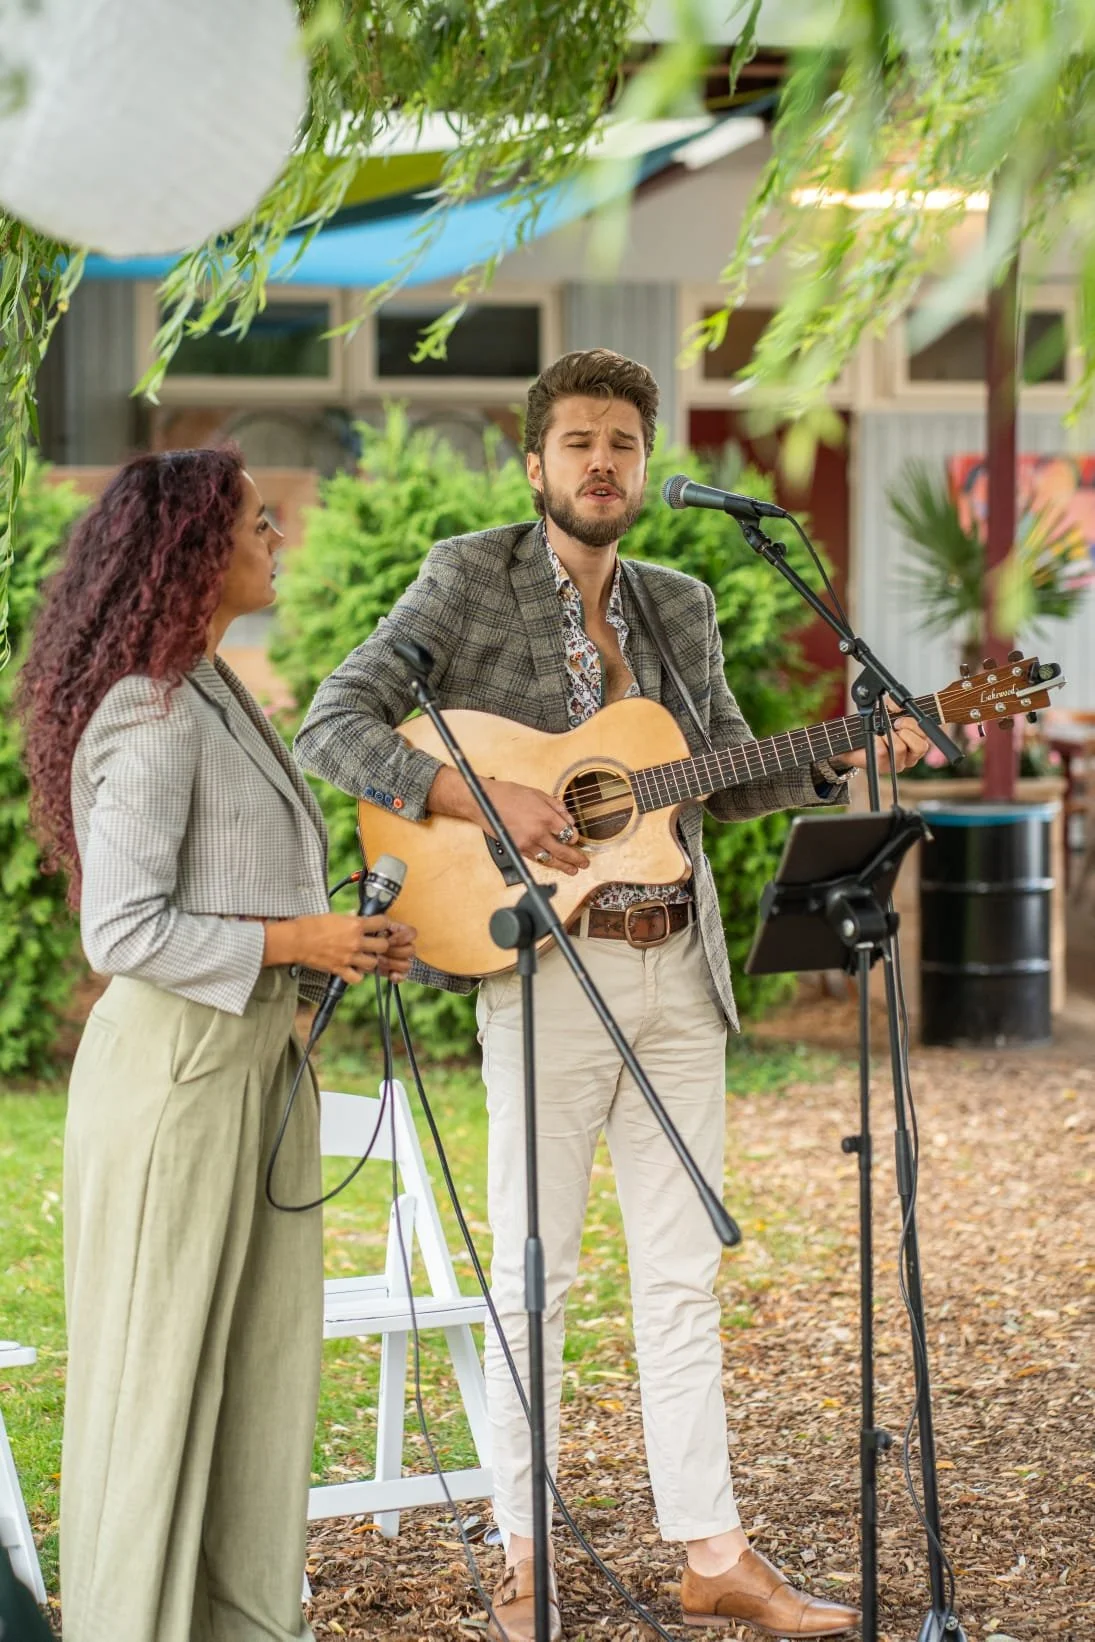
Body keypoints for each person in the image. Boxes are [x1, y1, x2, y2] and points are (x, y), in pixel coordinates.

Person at [294, 350, 929, 1640]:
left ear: (645, 465)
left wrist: (846, 749)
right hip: (544, 966)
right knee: (539, 1272)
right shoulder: (468, 578)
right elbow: (336, 723)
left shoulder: (682, 604)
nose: (602, 462)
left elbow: (723, 777)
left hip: (676, 967)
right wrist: (487, 797)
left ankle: (712, 1549)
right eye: (577, 441)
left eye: (624, 444)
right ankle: (528, 1552)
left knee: (682, 1271)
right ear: (536, 466)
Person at [17, 446, 415, 1642]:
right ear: (195, 546)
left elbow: (219, 883)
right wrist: (300, 933)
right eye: (257, 521)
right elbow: (122, 926)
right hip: (177, 1079)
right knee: (160, 1386)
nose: (277, 535)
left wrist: (325, 949)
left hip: (253, 1063)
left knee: (258, 1382)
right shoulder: (146, 704)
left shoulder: (212, 685)